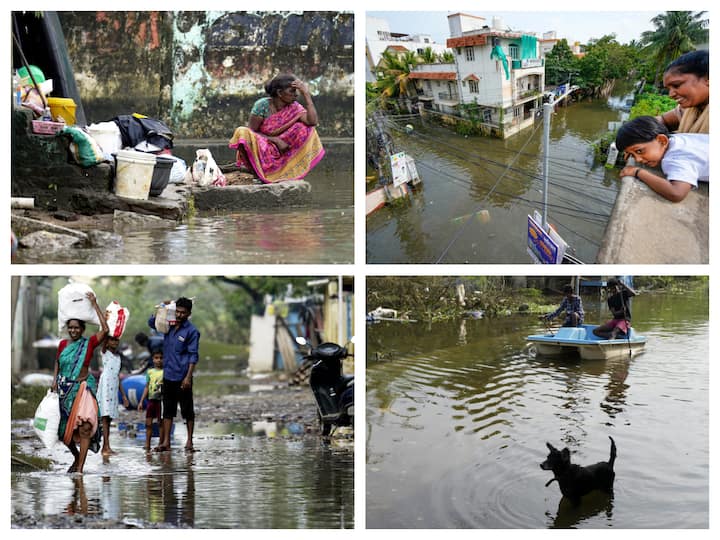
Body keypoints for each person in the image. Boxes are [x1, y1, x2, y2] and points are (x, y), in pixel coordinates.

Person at [228, 73, 325, 183]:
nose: (296, 95)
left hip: (282, 151)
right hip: (262, 148)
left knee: (305, 128)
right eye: (292, 91)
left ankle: (286, 171)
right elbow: (252, 132)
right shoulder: (262, 105)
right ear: (279, 93)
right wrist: (275, 140)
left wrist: (306, 95)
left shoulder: (295, 107)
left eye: (296, 92)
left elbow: (312, 122)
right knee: (242, 131)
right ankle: (255, 172)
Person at [51, 292, 109, 473]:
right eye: (71, 328)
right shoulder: (63, 345)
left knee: (85, 427)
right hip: (65, 391)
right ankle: (76, 457)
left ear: (82, 329)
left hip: (84, 389)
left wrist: (95, 303)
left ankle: (80, 469)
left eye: (77, 328)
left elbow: (105, 330)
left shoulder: (89, 343)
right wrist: (54, 381)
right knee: (63, 433)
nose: (73, 331)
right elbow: (58, 362)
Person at [148, 297, 200, 452]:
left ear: (189, 313)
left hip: (183, 376)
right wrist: (163, 308)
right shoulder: (168, 326)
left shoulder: (192, 331)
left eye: (183, 313)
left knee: (187, 410)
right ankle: (165, 442)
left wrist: (188, 377)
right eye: (177, 311)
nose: (179, 315)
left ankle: (189, 441)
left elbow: (193, 355)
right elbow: (152, 323)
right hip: (168, 374)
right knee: (167, 410)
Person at [616, 116, 708, 202]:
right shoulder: (678, 139)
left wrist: (637, 172)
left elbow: (676, 193)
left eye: (640, 151)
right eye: (632, 155)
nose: (638, 159)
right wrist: (633, 151)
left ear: (662, 140)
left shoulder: (674, 159)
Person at [658, 50, 708, 134]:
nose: (671, 95)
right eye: (668, 89)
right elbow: (662, 120)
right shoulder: (689, 110)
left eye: (676, 85)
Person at [96, 335, 129, 456]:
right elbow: (103, 340)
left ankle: (107, 446)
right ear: (107, 342)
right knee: (105, 417)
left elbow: (117, 377)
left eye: (116, 340)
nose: (115, 342)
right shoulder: (105, 353)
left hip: (113, 387)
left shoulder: (118, 357)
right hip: (105, 386)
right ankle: (105, 447)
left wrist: (124, 396)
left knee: (109, 418)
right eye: (112, 339)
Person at [137, 350, 165, 453]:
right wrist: (141, 401)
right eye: (156, 358)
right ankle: (147, 444)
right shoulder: (149, 372)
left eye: (161, 358)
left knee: (160, 423)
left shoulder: (165, 371)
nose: (159, 360)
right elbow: (147, 387)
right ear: (153, 360)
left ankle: (160, 443)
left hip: (161, 400)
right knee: (148, 423)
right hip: (151, 400)